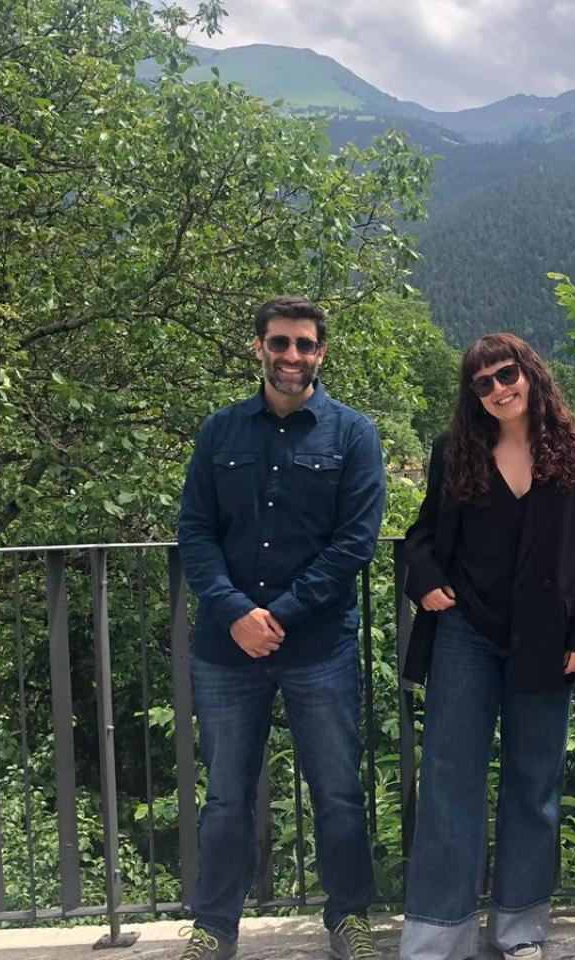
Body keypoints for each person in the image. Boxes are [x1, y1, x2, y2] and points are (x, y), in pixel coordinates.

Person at [176, 296, 386, 960]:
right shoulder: (219, 432)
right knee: (226, 797)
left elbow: (354, 545)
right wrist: (236, 612)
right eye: (279, 343)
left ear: (320, 352)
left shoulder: (353, 435)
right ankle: (213, 928)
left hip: (319, 647)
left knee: (338, 792)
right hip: (225, 647)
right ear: (259, 348)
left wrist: (279, 615)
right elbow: (195, 532)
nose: (291, 356)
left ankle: (349, 918)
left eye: (303, 344)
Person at [398, 333, 575, 960]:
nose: (498, 388)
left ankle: (520, 928)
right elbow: (423, 533)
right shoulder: (454, 450)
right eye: (483, 382)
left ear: (530, 373)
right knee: (449, 781)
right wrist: (426, 580)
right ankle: (438, 936)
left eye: (507, 374)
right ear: (473, 394)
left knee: (534, 784)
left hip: (547, 638)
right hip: (465, 631)